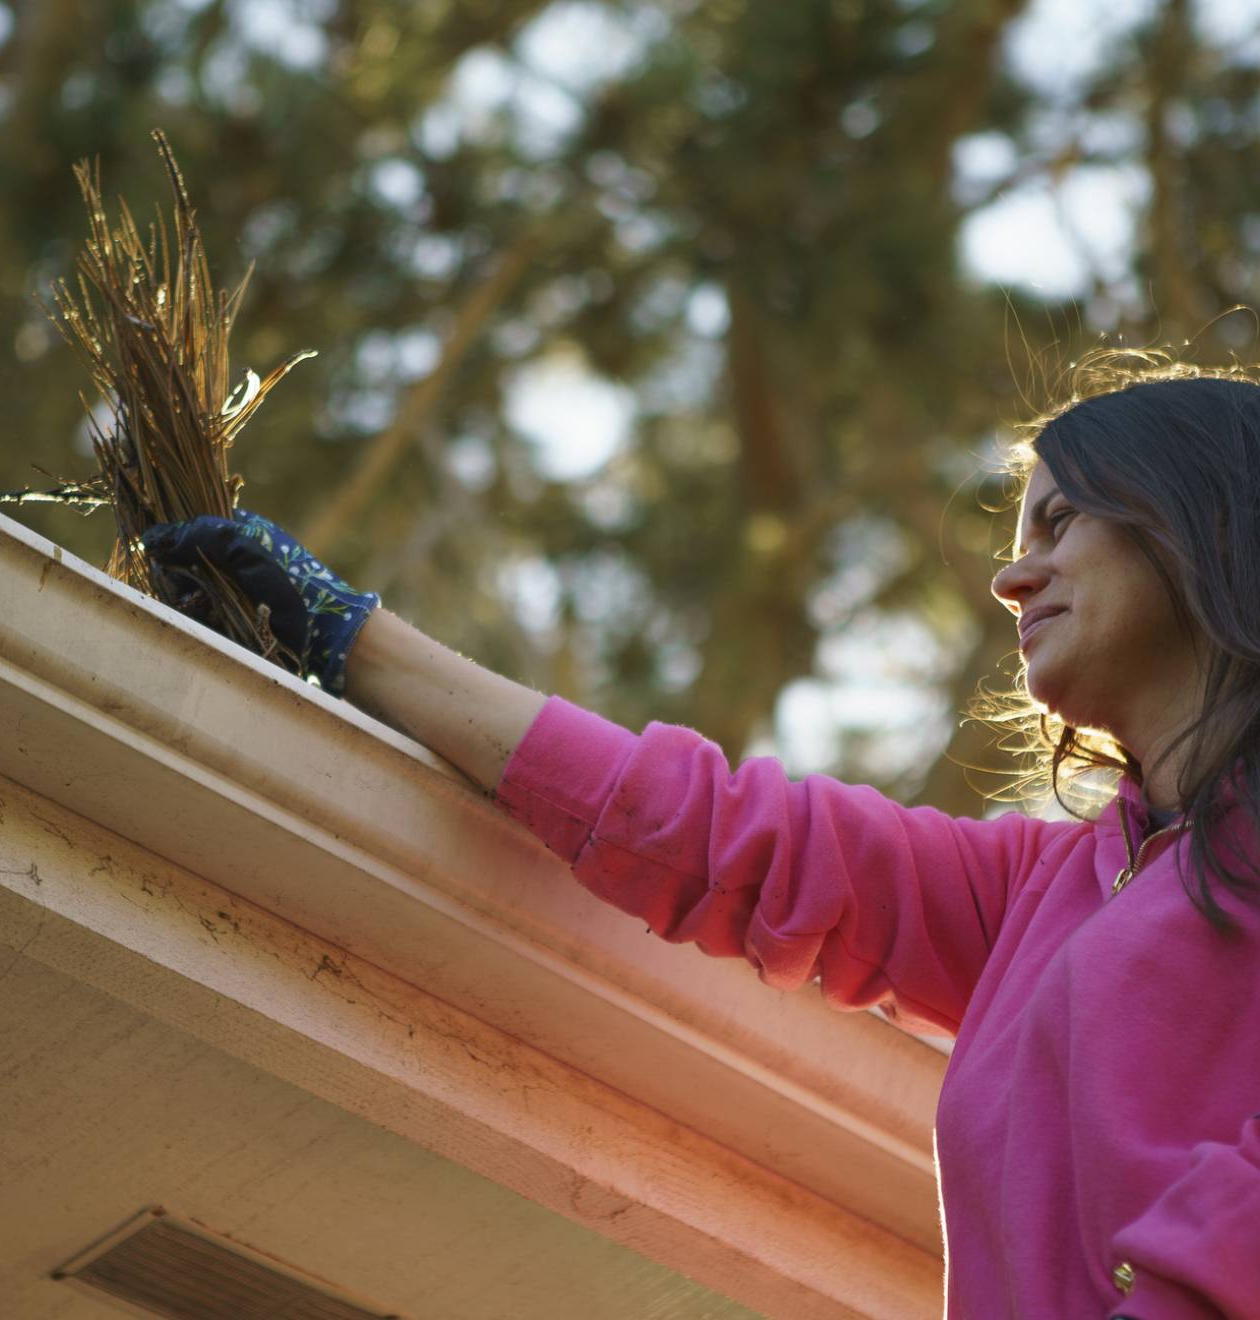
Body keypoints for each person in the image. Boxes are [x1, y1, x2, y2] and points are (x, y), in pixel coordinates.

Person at [143, 362, 1260, 1320]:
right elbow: (722, 835)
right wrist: (351, 637)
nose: (1009, 577)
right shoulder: (1052, 888)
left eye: (1061, 522)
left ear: (1204, 514)